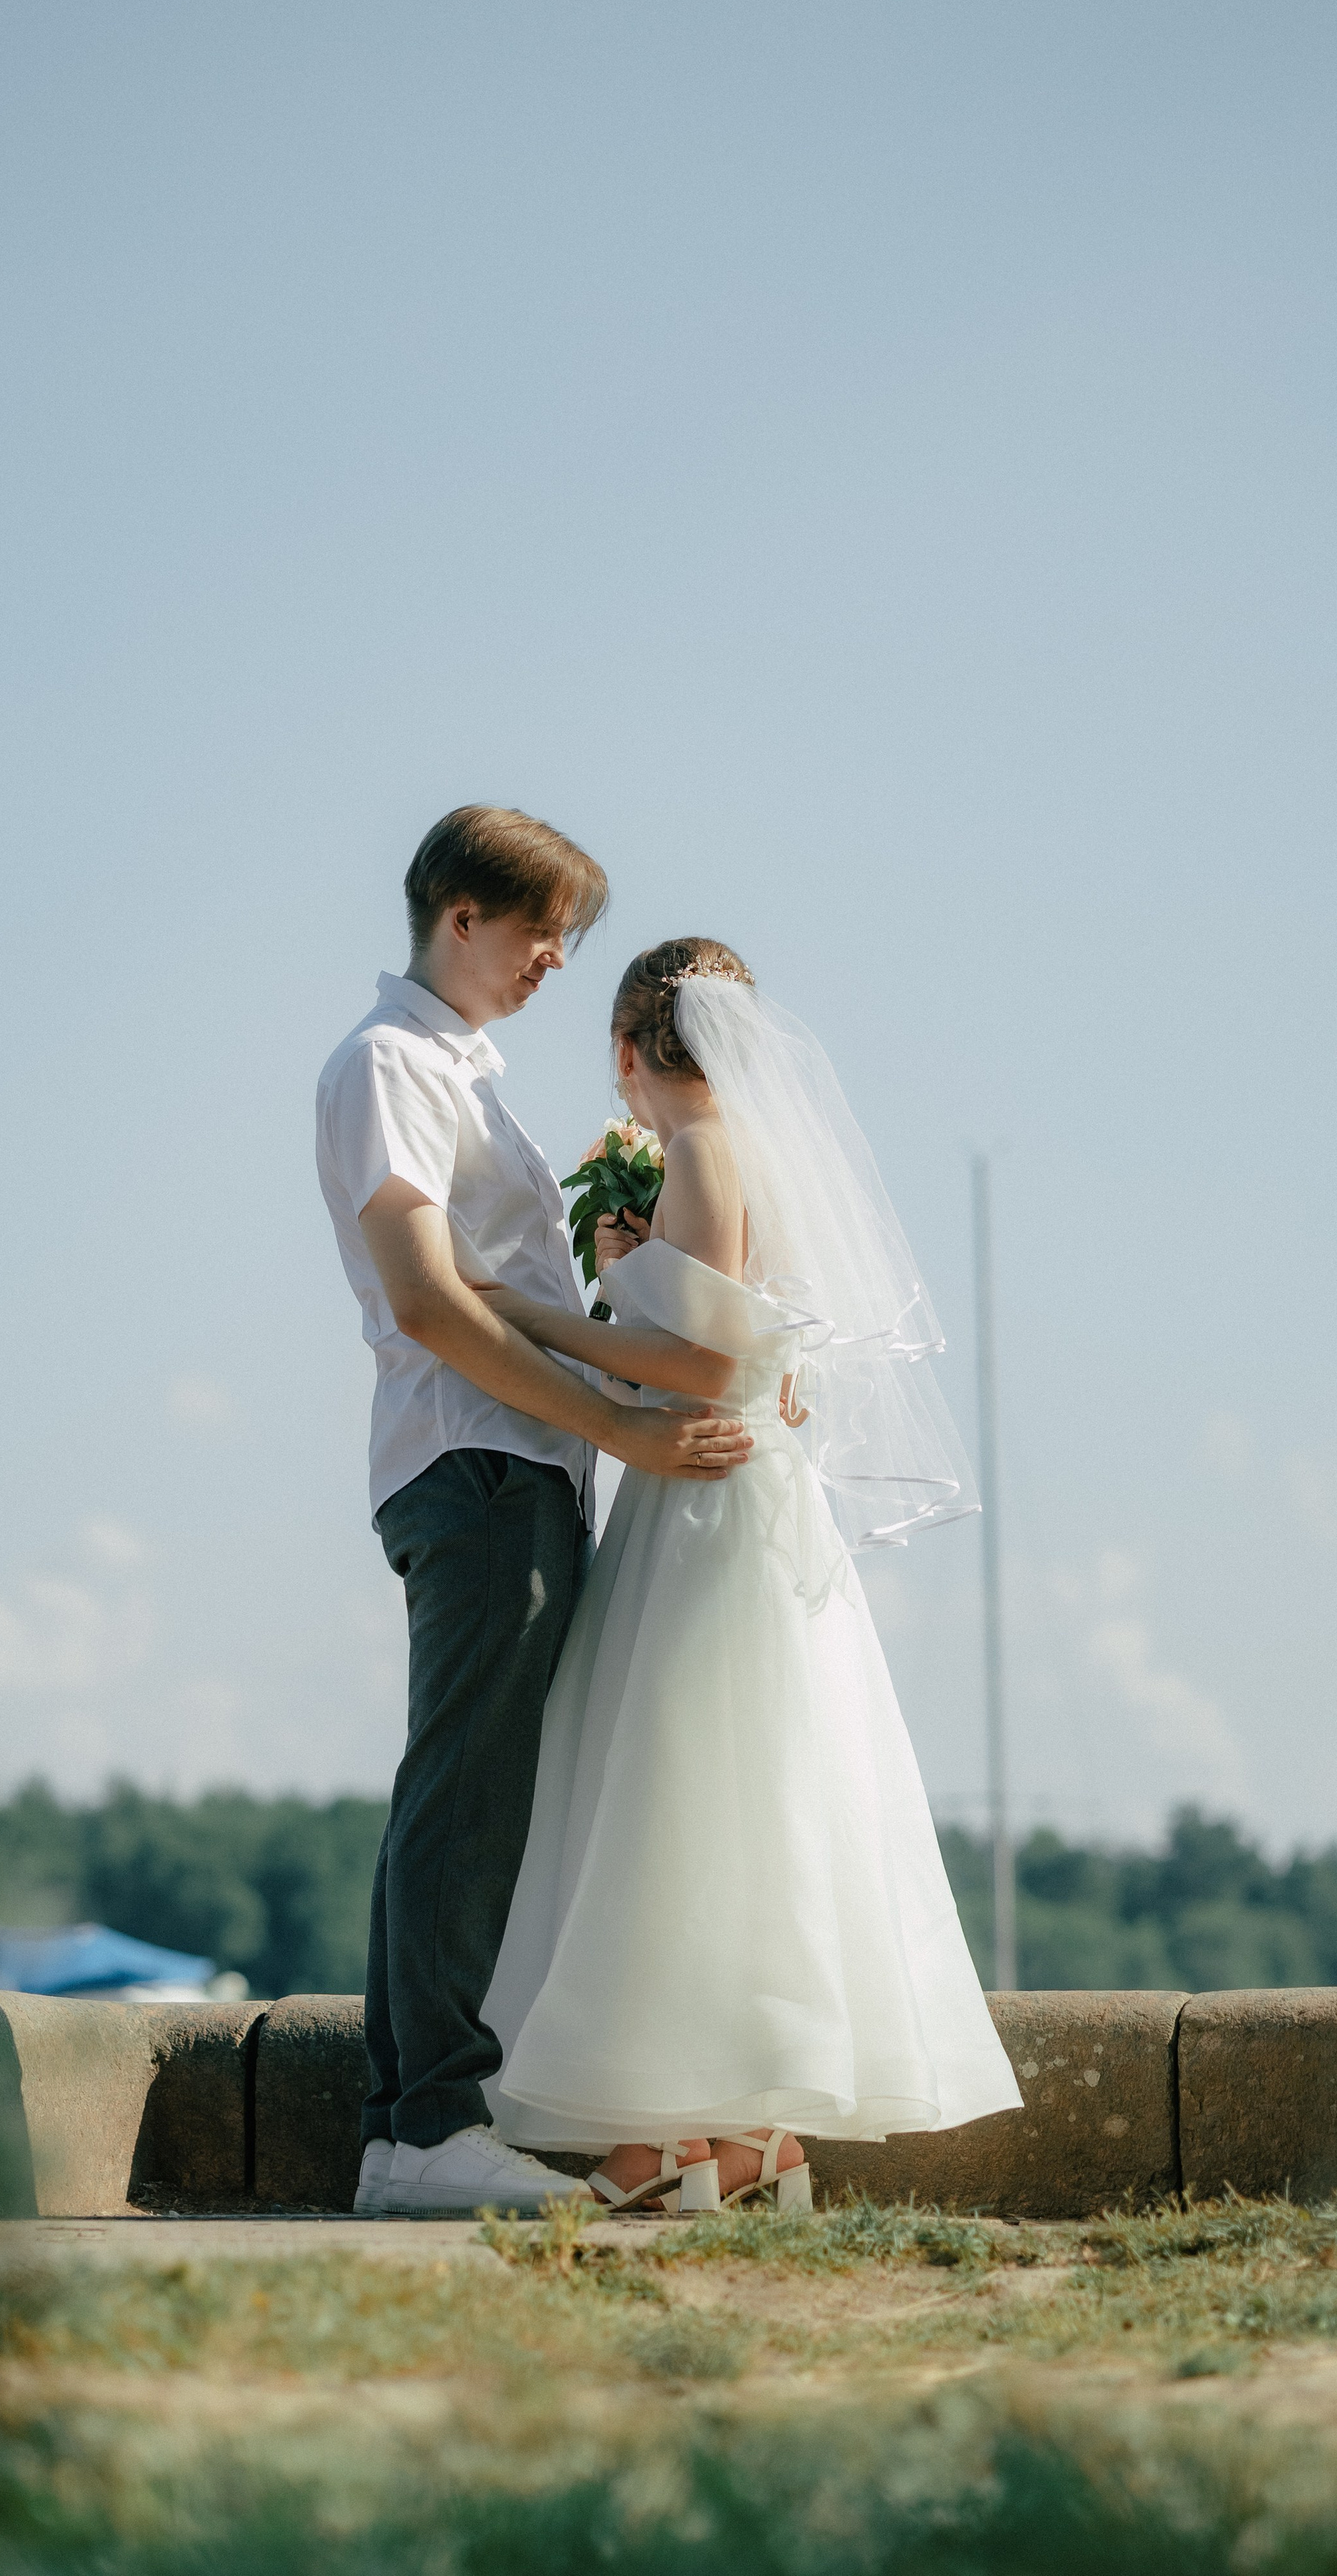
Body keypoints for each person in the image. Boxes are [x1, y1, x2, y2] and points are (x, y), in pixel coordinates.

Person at [476, 937, 1022, 2215]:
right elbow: (735, 1342)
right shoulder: (746, 1157)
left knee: (685, 1801)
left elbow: (703, 1367)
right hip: (738, 1492)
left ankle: (695, 2133)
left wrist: (545, 1308)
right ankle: (739, 2140)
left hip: (710, 1497)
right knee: (742, 1800)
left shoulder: (705, 1156)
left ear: (627, 1051)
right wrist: (632, 1283)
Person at [315, 813, 756, 2219]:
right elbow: (429, 1300)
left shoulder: (461, 1073)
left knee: (469, 1791)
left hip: (520, 1463)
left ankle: (413, 2125)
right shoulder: (388, 1064)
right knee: (464, 1793)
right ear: (458, 914)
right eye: (538, 929)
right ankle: (427, 2127)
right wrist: (623, 1422)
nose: (559, 959)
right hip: (477, 1462)